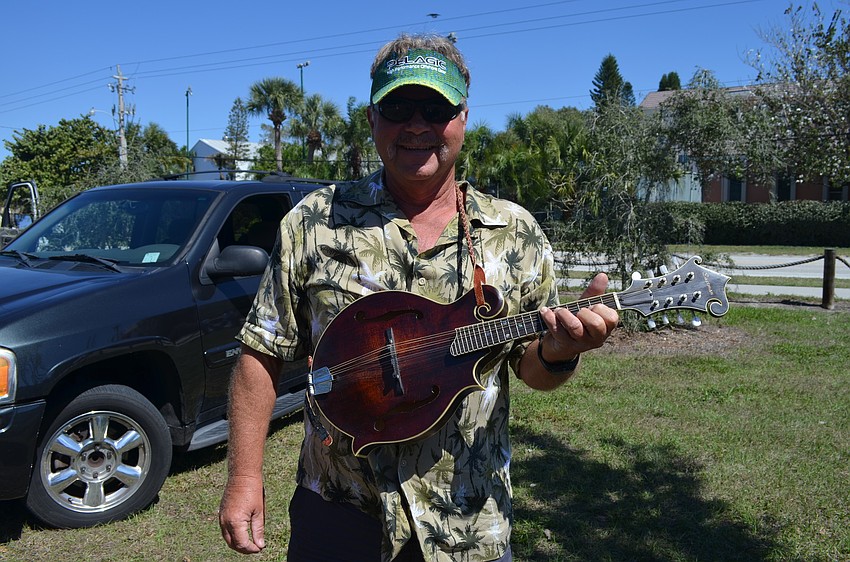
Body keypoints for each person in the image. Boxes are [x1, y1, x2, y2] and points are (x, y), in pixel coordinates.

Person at [219, 33, 619, 562]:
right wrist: (245, 476)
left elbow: (531, 368)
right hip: (339, 510)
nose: (417, 125)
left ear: (463, 118)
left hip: (467, 522)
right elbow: (261, 352)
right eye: (398, 107)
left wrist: (560, 353)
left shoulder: (513, 232)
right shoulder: (315, 222)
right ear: (371, 119)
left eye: (436, 108)